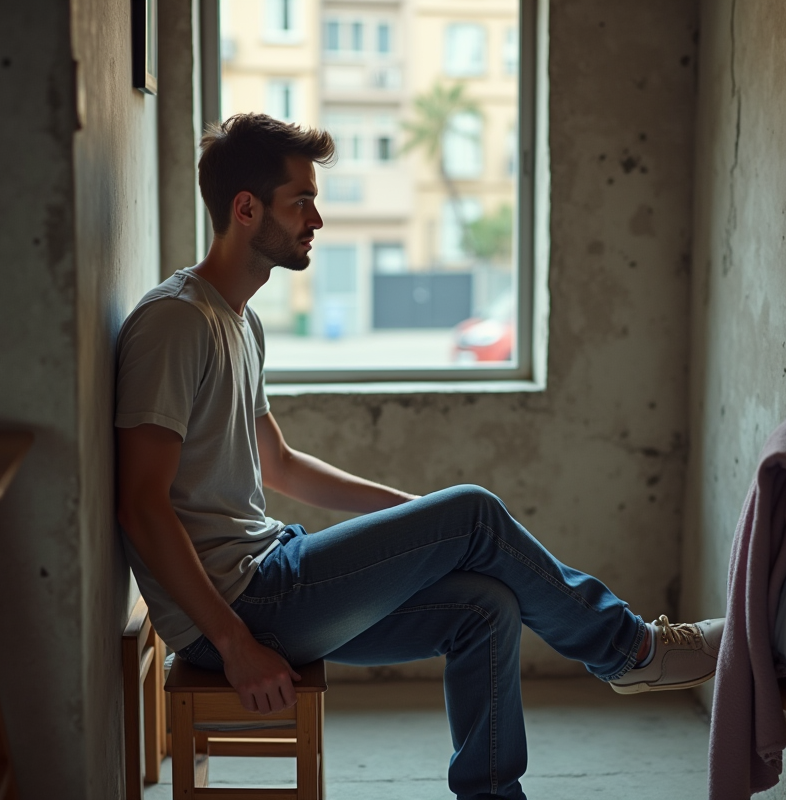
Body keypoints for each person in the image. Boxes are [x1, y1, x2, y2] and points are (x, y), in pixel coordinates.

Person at [115, 113, 724, 800]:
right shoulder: (175, 323)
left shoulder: (241, 321)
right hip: (240, 604)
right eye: (301, 202)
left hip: (272, 573)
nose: (316, 219)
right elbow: (140, 503)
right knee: (474, 511)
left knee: (485, 605)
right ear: (246, 209)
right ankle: (630, 650)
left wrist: (427, 528)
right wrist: (232, 642)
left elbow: (278, 463)